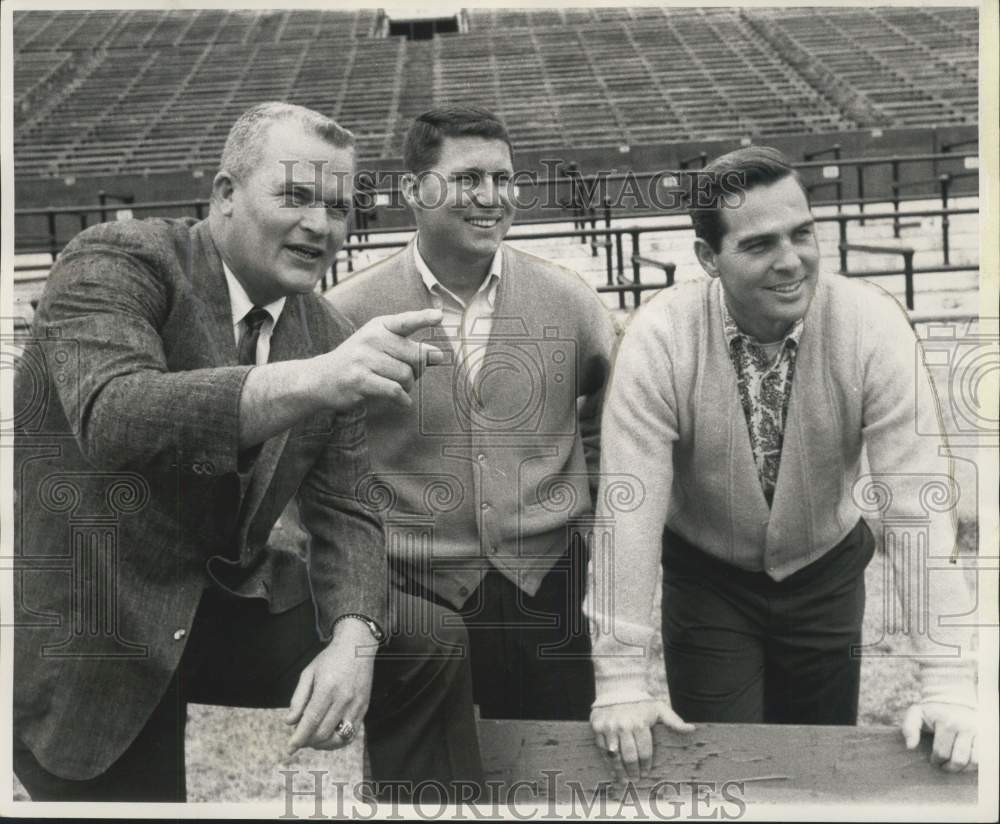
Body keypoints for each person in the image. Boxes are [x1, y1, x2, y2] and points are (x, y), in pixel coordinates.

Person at [13, 102, 483, 802]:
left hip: (221, 601)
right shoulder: (117, 262)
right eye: (293, 196)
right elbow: (115, 415)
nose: (320, 226)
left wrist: (356, 638)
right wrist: (317, 379)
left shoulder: (324, 327)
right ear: (225, 195)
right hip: (101, 613)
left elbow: (348, 508)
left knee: (425, 640)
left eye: (338, 207)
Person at [587, 146, 978, 777]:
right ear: (708, 258)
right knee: (725, 768)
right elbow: (627, 513)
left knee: (818, 765)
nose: (791, 260)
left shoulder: (873, 326)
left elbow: (917, 503)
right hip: (709, 574)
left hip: (825, 566)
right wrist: (621, 678)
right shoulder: (657, 339)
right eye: (759, 244)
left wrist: (951, 682)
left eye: (802, 233)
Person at [330, 106, 617, 721]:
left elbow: (607, 414)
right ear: (412, 189)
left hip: (550, 583)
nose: (491, 197)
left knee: (558, 780)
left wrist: (577, 506)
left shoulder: (569, 300)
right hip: (416, 596)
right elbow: (320, 460)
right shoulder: (347, 314)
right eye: (467, 179)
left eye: (503, 178)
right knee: (427, 786)